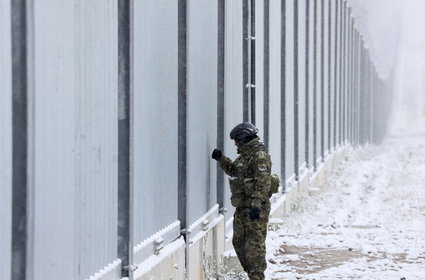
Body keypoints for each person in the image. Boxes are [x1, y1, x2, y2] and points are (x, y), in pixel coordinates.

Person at [212, 122, 276, 280]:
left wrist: (256, 204)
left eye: (236, 140)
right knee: (238, 242)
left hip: (256, 208)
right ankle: (252, 273)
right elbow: (234, 170)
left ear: (243, 138)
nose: (235, 143)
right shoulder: (245, 156)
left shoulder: (259, 156)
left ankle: (257, 275)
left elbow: (263, 182)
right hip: (242, 207)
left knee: (254, 245)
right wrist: (221, 159)